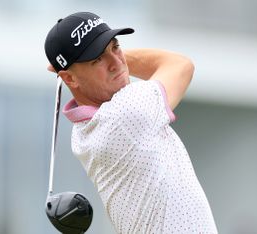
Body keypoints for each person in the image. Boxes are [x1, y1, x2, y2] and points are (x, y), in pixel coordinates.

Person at [44, 12, 218, 233]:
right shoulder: (125, 114)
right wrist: (117, 54)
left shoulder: (83, 130)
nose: (117, 63)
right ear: (69, 79)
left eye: (116, 47)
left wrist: (94, 55)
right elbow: (181, 65)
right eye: (97, 59)